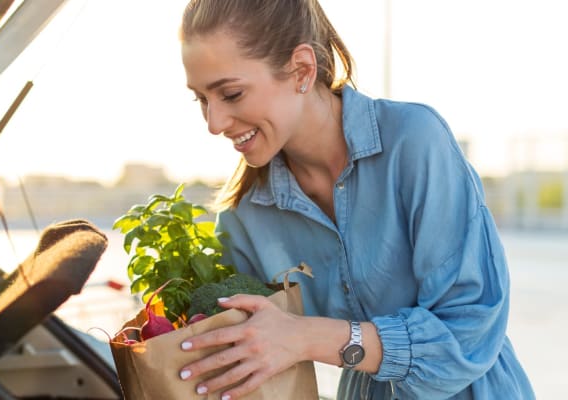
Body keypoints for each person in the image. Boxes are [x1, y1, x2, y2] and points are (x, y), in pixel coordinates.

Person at [175, 0, 535, 399]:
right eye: (201, 99)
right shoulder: (243, 216)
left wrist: (306, 336)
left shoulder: (414, 142)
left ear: (302, 70)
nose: (214, 123)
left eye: (231, 93)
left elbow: (466, 333)